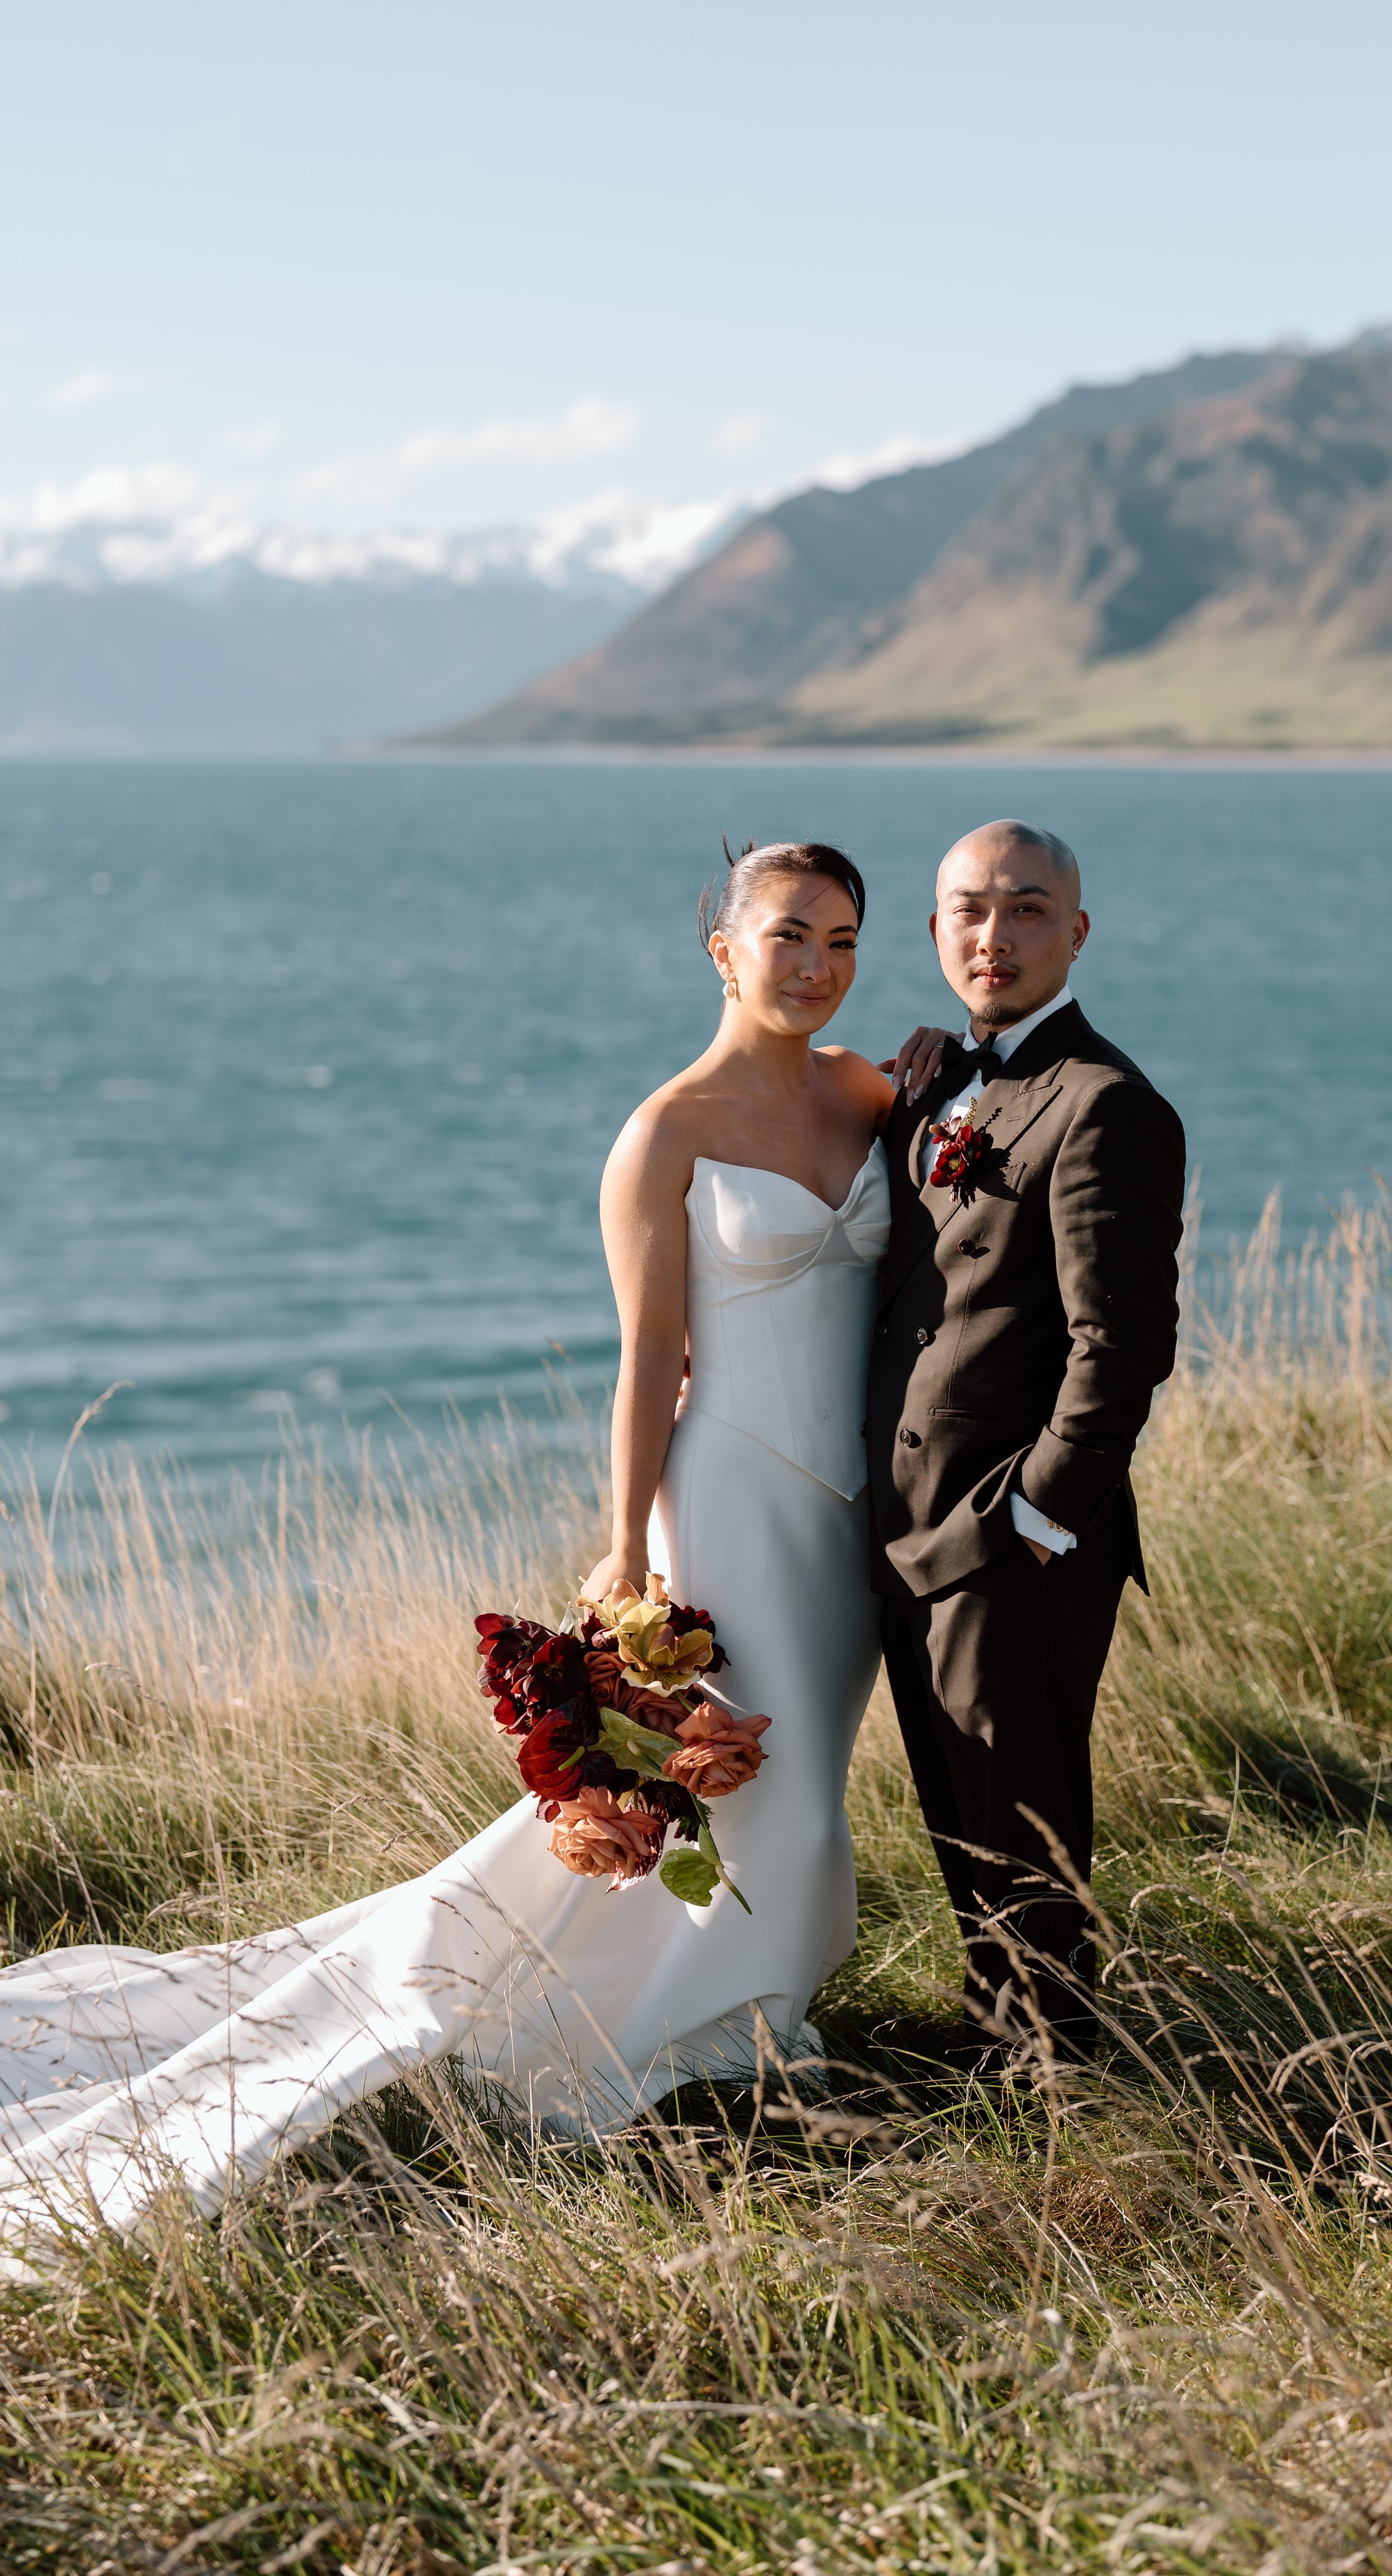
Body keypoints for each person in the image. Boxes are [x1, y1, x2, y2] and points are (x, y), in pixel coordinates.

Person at [0, 839, 944, 2259]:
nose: (816, 965)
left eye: (844, 940)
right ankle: (713, 2041)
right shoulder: (664, 1132)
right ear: (722, 949)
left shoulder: (868, 1090)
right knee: (769, 1785)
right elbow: (647, 1360)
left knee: (764, 1786)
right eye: (789, 936)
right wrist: (624, 1547)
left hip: (849, 1510)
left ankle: (705, 1990)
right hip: (733, 1491)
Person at [869, 820, 1185, 2062]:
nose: (992, 935)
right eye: (966, 909)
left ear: (1077, 931)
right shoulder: (947, 1077)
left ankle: (1059, 2092)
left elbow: (1122, 1349)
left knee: (1025, 1829)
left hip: (1010, 1533)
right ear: (936, 926)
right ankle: (994, 2052)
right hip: (905, 1527)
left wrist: (1036, 1521)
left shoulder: (1106, 1104)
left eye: (1026, 909)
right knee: (960, 1820)